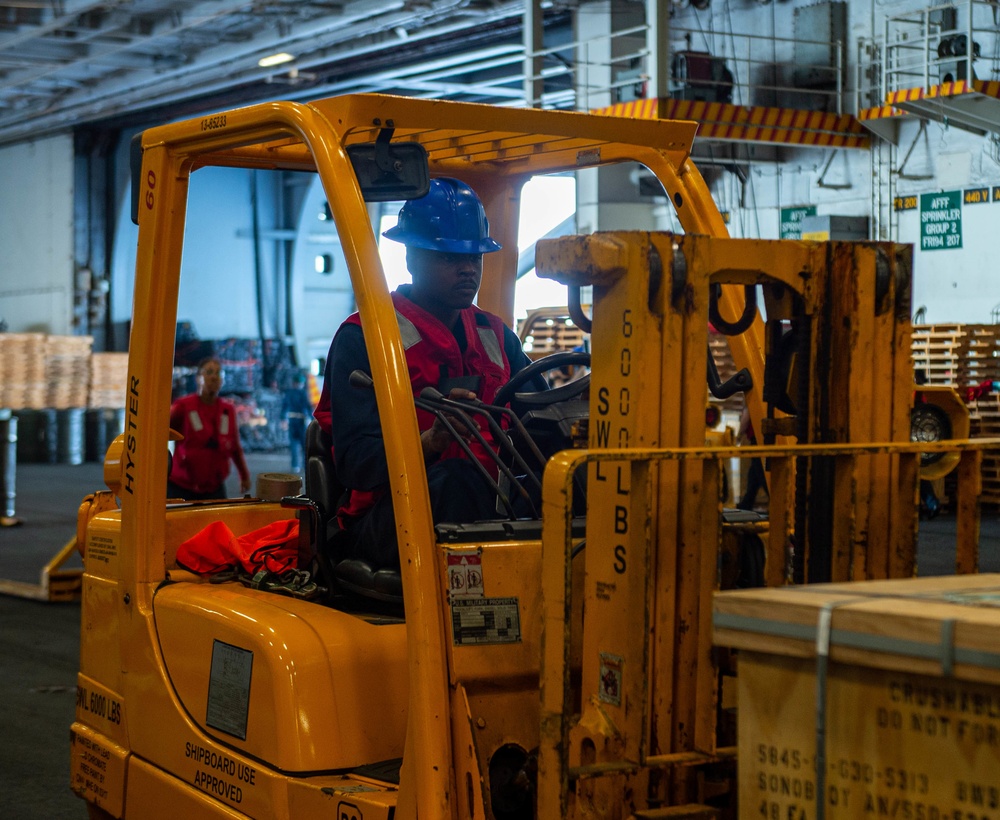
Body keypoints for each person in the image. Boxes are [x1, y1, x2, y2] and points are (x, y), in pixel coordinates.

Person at [314, 177, 543, 571]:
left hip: (489, 504)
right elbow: (355, 462)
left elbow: (535, 419)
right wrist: (429, 441)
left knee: (573, 482)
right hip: (391, 516)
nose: (468, 270)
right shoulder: (367, 338)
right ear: (410, 258)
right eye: (450, 258)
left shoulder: (495, 335)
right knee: (456, 480)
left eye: (474, 258)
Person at [168, 356, 251, 500]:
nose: (214, 377)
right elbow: (160, 433)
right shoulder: (183, 407)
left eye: (218, 373)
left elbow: (234, 446)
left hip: (214, 487)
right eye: (209, 372)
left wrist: (244, 475)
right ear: (198, 378)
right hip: (182, 487)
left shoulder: (227, 410)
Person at [281, 369, 312, 474]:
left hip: (292, 420)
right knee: (304, 445)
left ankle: (295, 465)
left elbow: (284, 407)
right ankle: (304, 465)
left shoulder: (289, 393)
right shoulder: (304, 393)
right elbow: (307, 407)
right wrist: (311, 419)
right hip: (302, 420)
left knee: (294, 444)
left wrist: (283, 419)